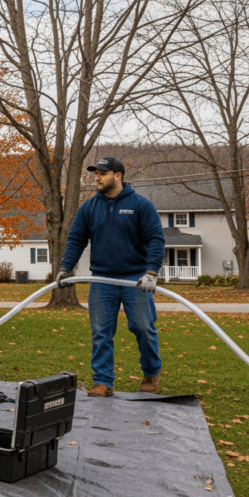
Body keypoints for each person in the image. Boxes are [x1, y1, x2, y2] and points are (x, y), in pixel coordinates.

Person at [56, 157, 165, 397]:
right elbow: (76, 239)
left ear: (118, 176)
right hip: (102, 280)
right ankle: (103, 381)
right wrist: (66, 267)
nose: (97, 177)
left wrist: (151, 272)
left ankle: (150, 373)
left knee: (143, 327)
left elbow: (156, 240)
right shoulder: (89, 207)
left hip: (135, 278)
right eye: (96, 173)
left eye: (103, 173)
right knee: (101, 331)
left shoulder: (140, 205)